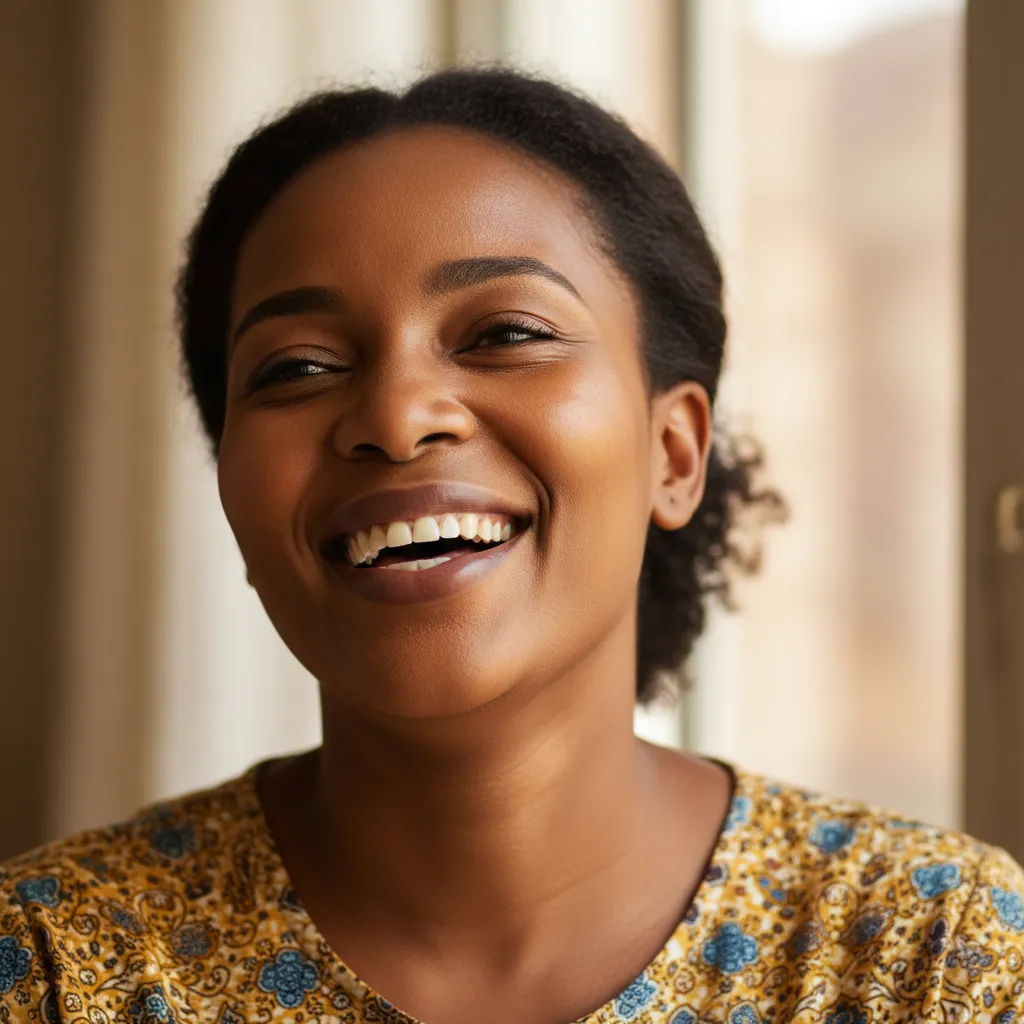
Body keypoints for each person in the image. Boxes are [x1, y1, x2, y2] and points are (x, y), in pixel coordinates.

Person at [1, 67, 1020, 1024]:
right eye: (298, 365)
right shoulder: (49, 963)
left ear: (673, 452)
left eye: (505, 334)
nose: (396, 417)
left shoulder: (935, 956)